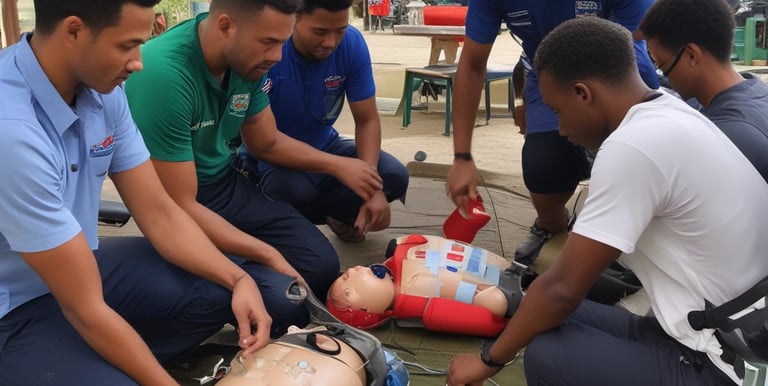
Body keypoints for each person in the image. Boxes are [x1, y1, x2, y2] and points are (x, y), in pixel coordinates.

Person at [446, 17, 768, 386]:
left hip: (727, 361)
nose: (562, 130)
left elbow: (565, 287)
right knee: (537, 311)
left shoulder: (633, 146)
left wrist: (488, 360)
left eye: (557, 111)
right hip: (710, 327)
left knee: (549, 357)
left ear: (583, 93)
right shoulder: (667, 109)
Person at [0, 0, 302, 384]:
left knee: (256, 292)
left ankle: (85, 358)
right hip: (13, 305)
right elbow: (85, 309)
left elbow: (159, 210)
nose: (138, 61)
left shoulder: (103, 91)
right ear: (73, 31)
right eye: (127, 45)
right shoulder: (11, 129)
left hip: (79, 268)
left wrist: (237, 279)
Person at [124, 0, 341, 303]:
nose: (277, 57)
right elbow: (179, 205)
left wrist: (340, 166)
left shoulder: (248, 62)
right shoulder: (163, 74)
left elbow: (267, 143)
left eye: (282, 43)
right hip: (179, 201)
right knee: (284, 299)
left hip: (228, 181)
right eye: (268, 43)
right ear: (225, 26)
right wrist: (266, 252)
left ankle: (237, 267)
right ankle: (229, 274)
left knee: (321, 267)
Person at [445, 0, 659, 266]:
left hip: (618, 71)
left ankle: (628, 230)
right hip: (547, 78)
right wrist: (462, 157)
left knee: (630, 159)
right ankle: (551, 226)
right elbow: (473, 64)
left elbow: (651, 35)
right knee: (543, 164)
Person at [241, 0, 409, 243]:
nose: (330, 42)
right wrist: (339, 167)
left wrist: (371, 186)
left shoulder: (351, 43)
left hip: (325, 144)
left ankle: (339, 216)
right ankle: (288, 229)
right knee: (294, 190)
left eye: (339, 30)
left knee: (393, 176)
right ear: (294, 19)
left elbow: (367, 119)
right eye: (319, 32)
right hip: (273, 160)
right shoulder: (269, 50)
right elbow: (262, 144)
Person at [636, 0, 768, 182]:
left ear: (691, 55)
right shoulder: (755, 90)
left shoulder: (725, 138)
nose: (663, 75)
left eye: (660, 64)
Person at [327, 234, 524, 336]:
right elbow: (460, 316)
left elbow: (424, 240)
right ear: (368, 310)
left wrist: (404, 242)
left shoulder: (400, 253)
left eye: (346, 274)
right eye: (347, 291)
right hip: (497, 292)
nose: (350, 272)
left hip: (496, 266)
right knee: (498, 302)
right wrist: (493, 314)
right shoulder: (415, 305)